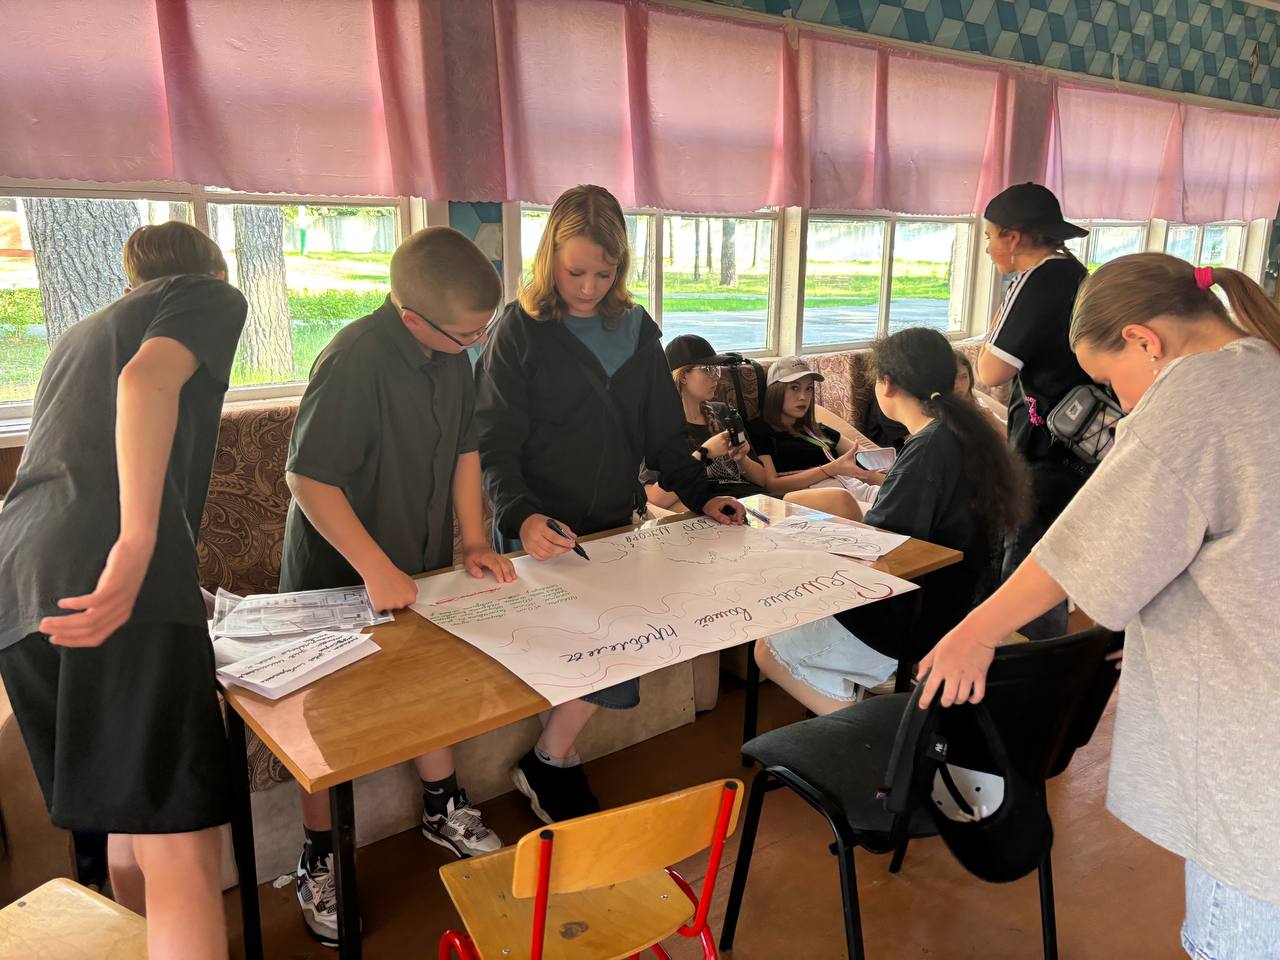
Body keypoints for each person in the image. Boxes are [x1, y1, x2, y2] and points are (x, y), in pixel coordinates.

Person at [918, 254, 1280, 960]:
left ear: (1145, 340)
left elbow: (1087, 543)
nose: (1124, 402)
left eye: (1111, 380)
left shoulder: (1197, 395)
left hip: (1254, 735)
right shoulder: (1263, 364)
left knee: (1236, 932)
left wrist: (975, 632)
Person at [0, 222, 246, 960]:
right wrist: (137, 548)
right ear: (211, 271)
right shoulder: (207, 294)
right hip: (108, 579)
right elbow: (146, 382)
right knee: (185, 851)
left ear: (130, 279)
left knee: (132, 817)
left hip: (20, 585)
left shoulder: (80, 334)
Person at [474, 184, 744, 823]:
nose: (588, 288)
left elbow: (663, 438)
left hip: (614, 526)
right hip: (538, 524)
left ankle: (550, 757)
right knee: (578, 650)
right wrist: (521, 517)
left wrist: (704, 496)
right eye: (575, 272)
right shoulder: (518, 330)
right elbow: (493, 444)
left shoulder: (638, 330)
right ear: (549, 257)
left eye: (604, 272)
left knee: (620, 645)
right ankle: (553, 760)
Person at [280, 227, 514, 946]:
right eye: (469, 334)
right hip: (336, 574)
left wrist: (473, 540)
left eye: (484, 330)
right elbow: (307, 477)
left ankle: (442, 806)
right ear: (413, 319)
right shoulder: (353, 358)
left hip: (417, 567)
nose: (478, 344)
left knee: (431, 687)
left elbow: (466, 449)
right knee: (329, 724)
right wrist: (373, 566)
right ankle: (318, 856)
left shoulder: (454, 356)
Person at [756, 328, 1028, 715]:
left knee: (768, 649)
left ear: (886, 383)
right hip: (954, 602)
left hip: (913, 616)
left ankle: (870, 736)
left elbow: (884, 549)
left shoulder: (928, 450)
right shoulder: (963, 434)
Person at [978, 182, 1091, 639]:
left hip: (1044, 446)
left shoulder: (1036, 279)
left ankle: (1022, 666)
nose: (988, 248)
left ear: (1015, 237)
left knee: (1026, 567)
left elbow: (991, 371)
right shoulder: (1074, 272)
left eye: (990, 237)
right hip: (1081, 441)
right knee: (1051, 565)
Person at [642, 334, 766, 512]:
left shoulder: (724, 412)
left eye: (716, 369)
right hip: (716, 509)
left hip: (751, 501)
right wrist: (705, 454)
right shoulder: (661, 426)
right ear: (683, 376)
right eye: (707, 369)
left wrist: (742, 459)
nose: (716, 377)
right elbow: (653, 499)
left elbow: (762, 480)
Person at [745, 356, 882, 515]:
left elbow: (868, 456)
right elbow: (772, 485)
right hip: (820, 497)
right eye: (794, 388)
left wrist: (895, 467)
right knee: (884, 515)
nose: (803, 397)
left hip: (857, 488)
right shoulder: (760, 430)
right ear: (775, 391)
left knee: (902, 500)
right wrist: (832, 469)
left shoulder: (817, 429)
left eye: (809, 389)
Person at [954, 349, 1007, 435]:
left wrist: (992, 419)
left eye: (964, 377)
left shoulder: (977, 402)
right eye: (953, 378)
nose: (958, 385)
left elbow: (1011, 434)